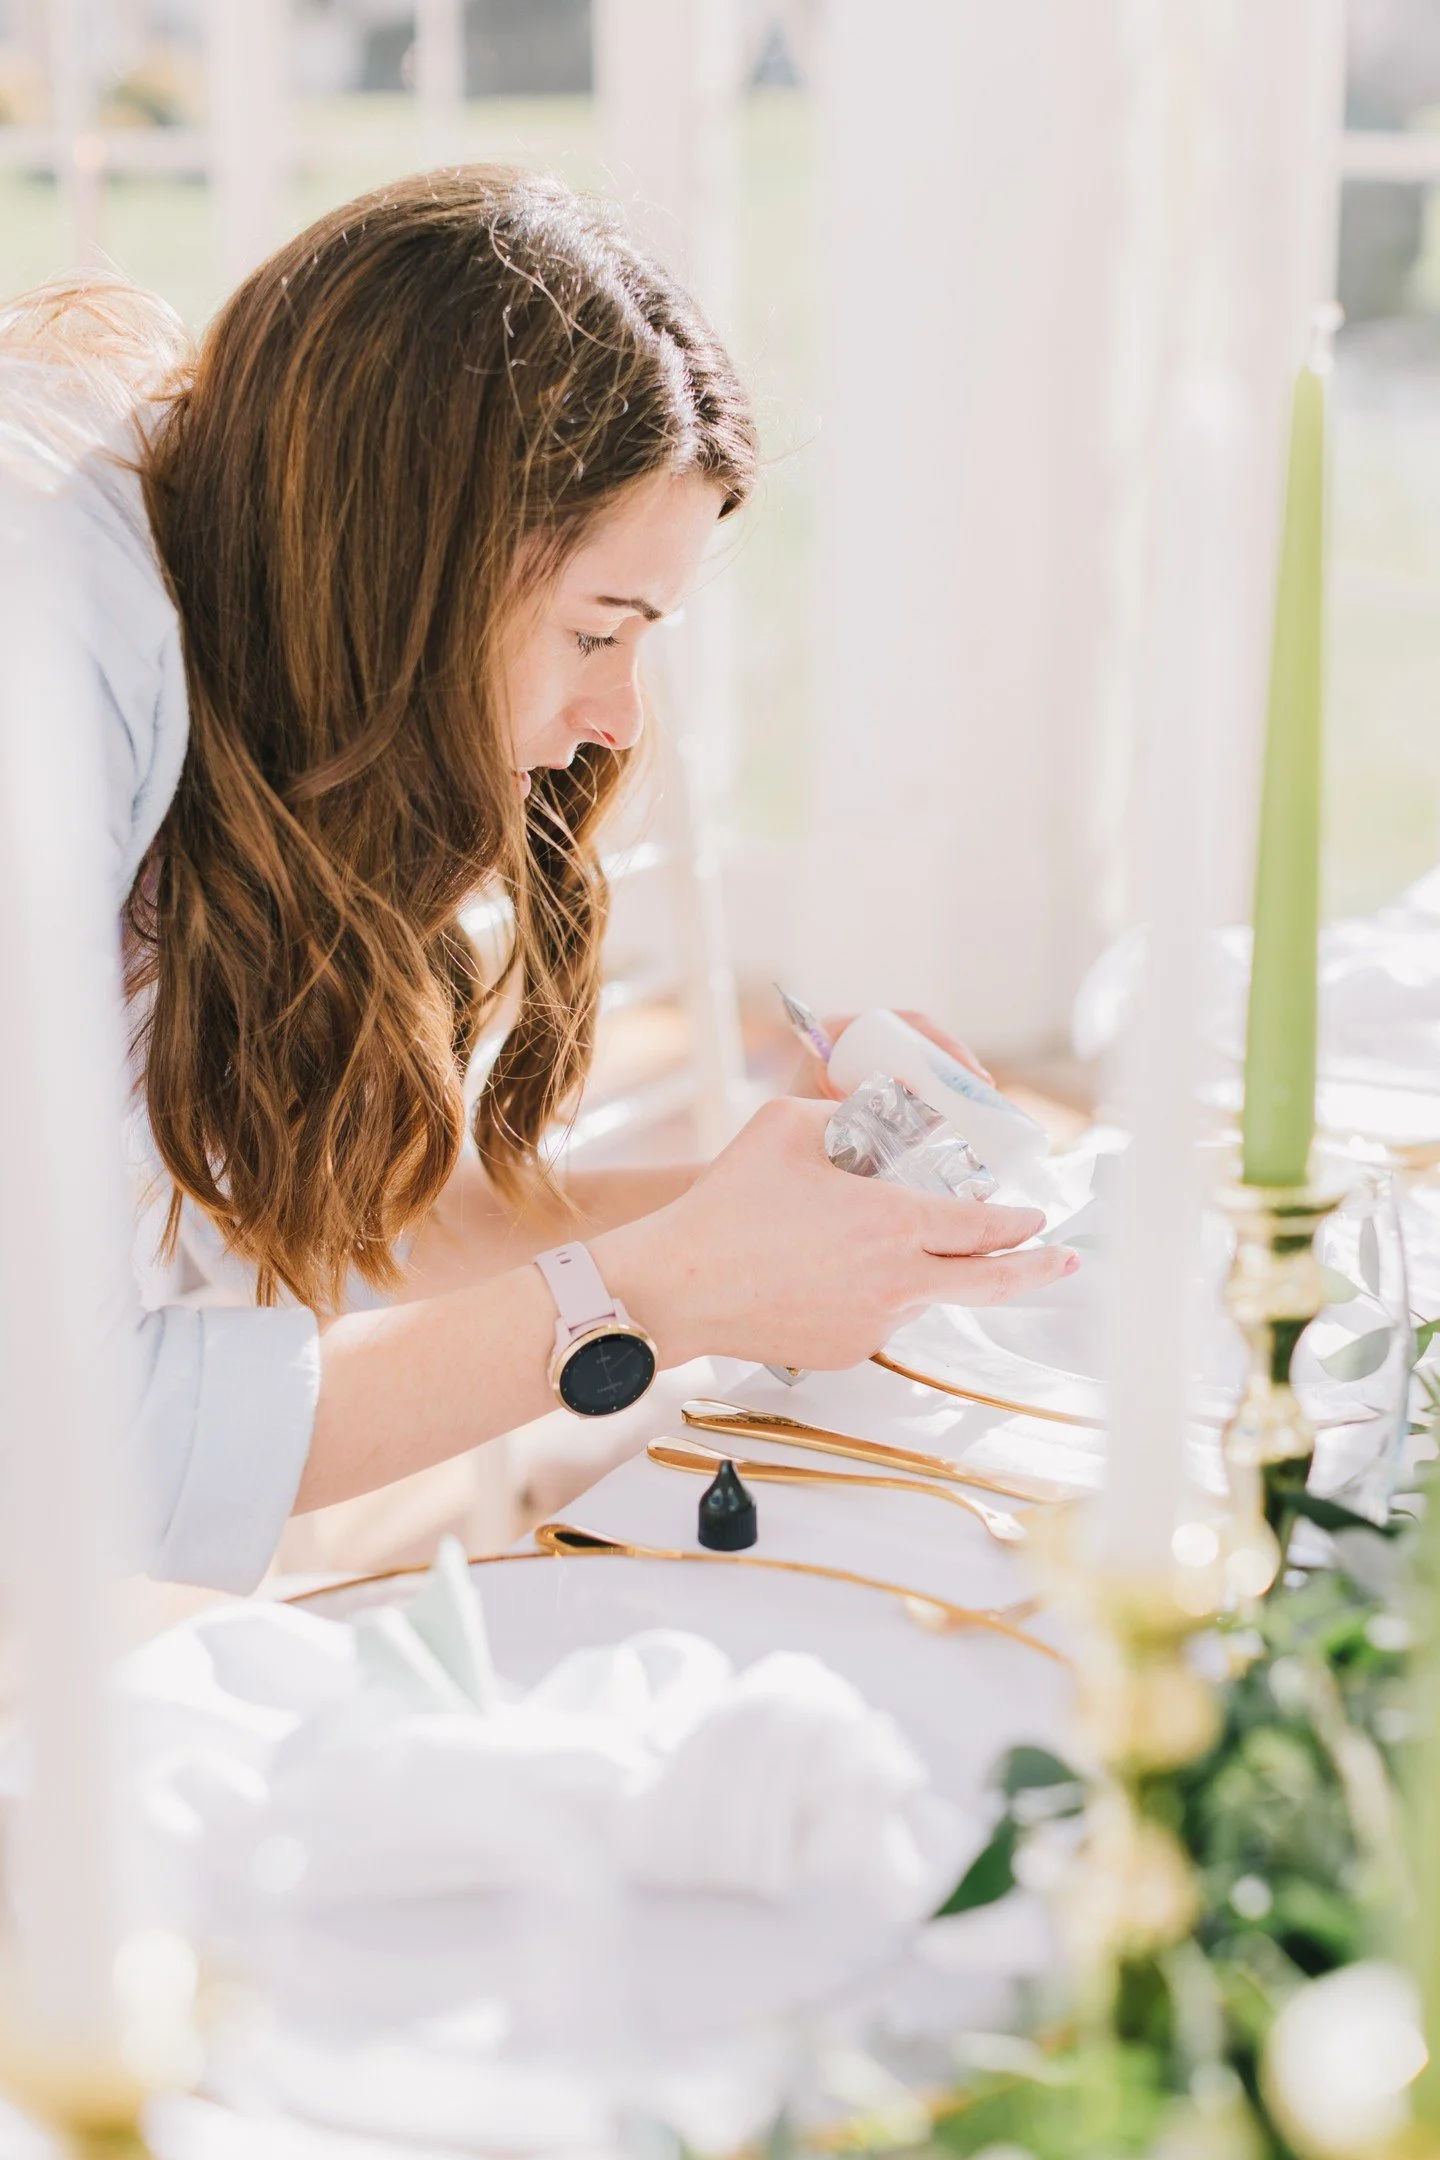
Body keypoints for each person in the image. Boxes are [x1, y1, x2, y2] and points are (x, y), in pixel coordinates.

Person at [0, 167, 1077, 1594]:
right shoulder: (48, 701)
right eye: (597, 632)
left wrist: (758, 1220)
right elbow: (81, 1457)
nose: (622, 719)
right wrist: (670, 1288)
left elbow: (334, 1205)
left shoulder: (224, 588)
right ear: (407, 568)